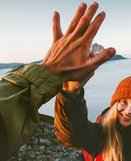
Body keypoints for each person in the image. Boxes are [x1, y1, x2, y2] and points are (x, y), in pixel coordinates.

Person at [0, 2, 116, 160]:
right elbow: (72, 136)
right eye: (123, 102)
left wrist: (47, 71)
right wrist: (70, 91)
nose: (129, 109)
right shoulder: (102, 134)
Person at [54, 75, 131, 161]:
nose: (128, 111)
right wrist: (70, 94)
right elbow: (73, 135)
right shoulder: (101, 131)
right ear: (115, 103)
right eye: (124, 102)